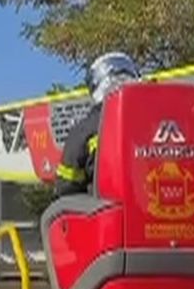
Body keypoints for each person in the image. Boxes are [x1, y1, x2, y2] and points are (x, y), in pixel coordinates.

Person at [55, 52, 142, 196]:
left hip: (107, 210)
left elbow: (65, 186)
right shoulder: (155, 123)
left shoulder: (84, 130)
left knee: (52, 213)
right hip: (157, 207)